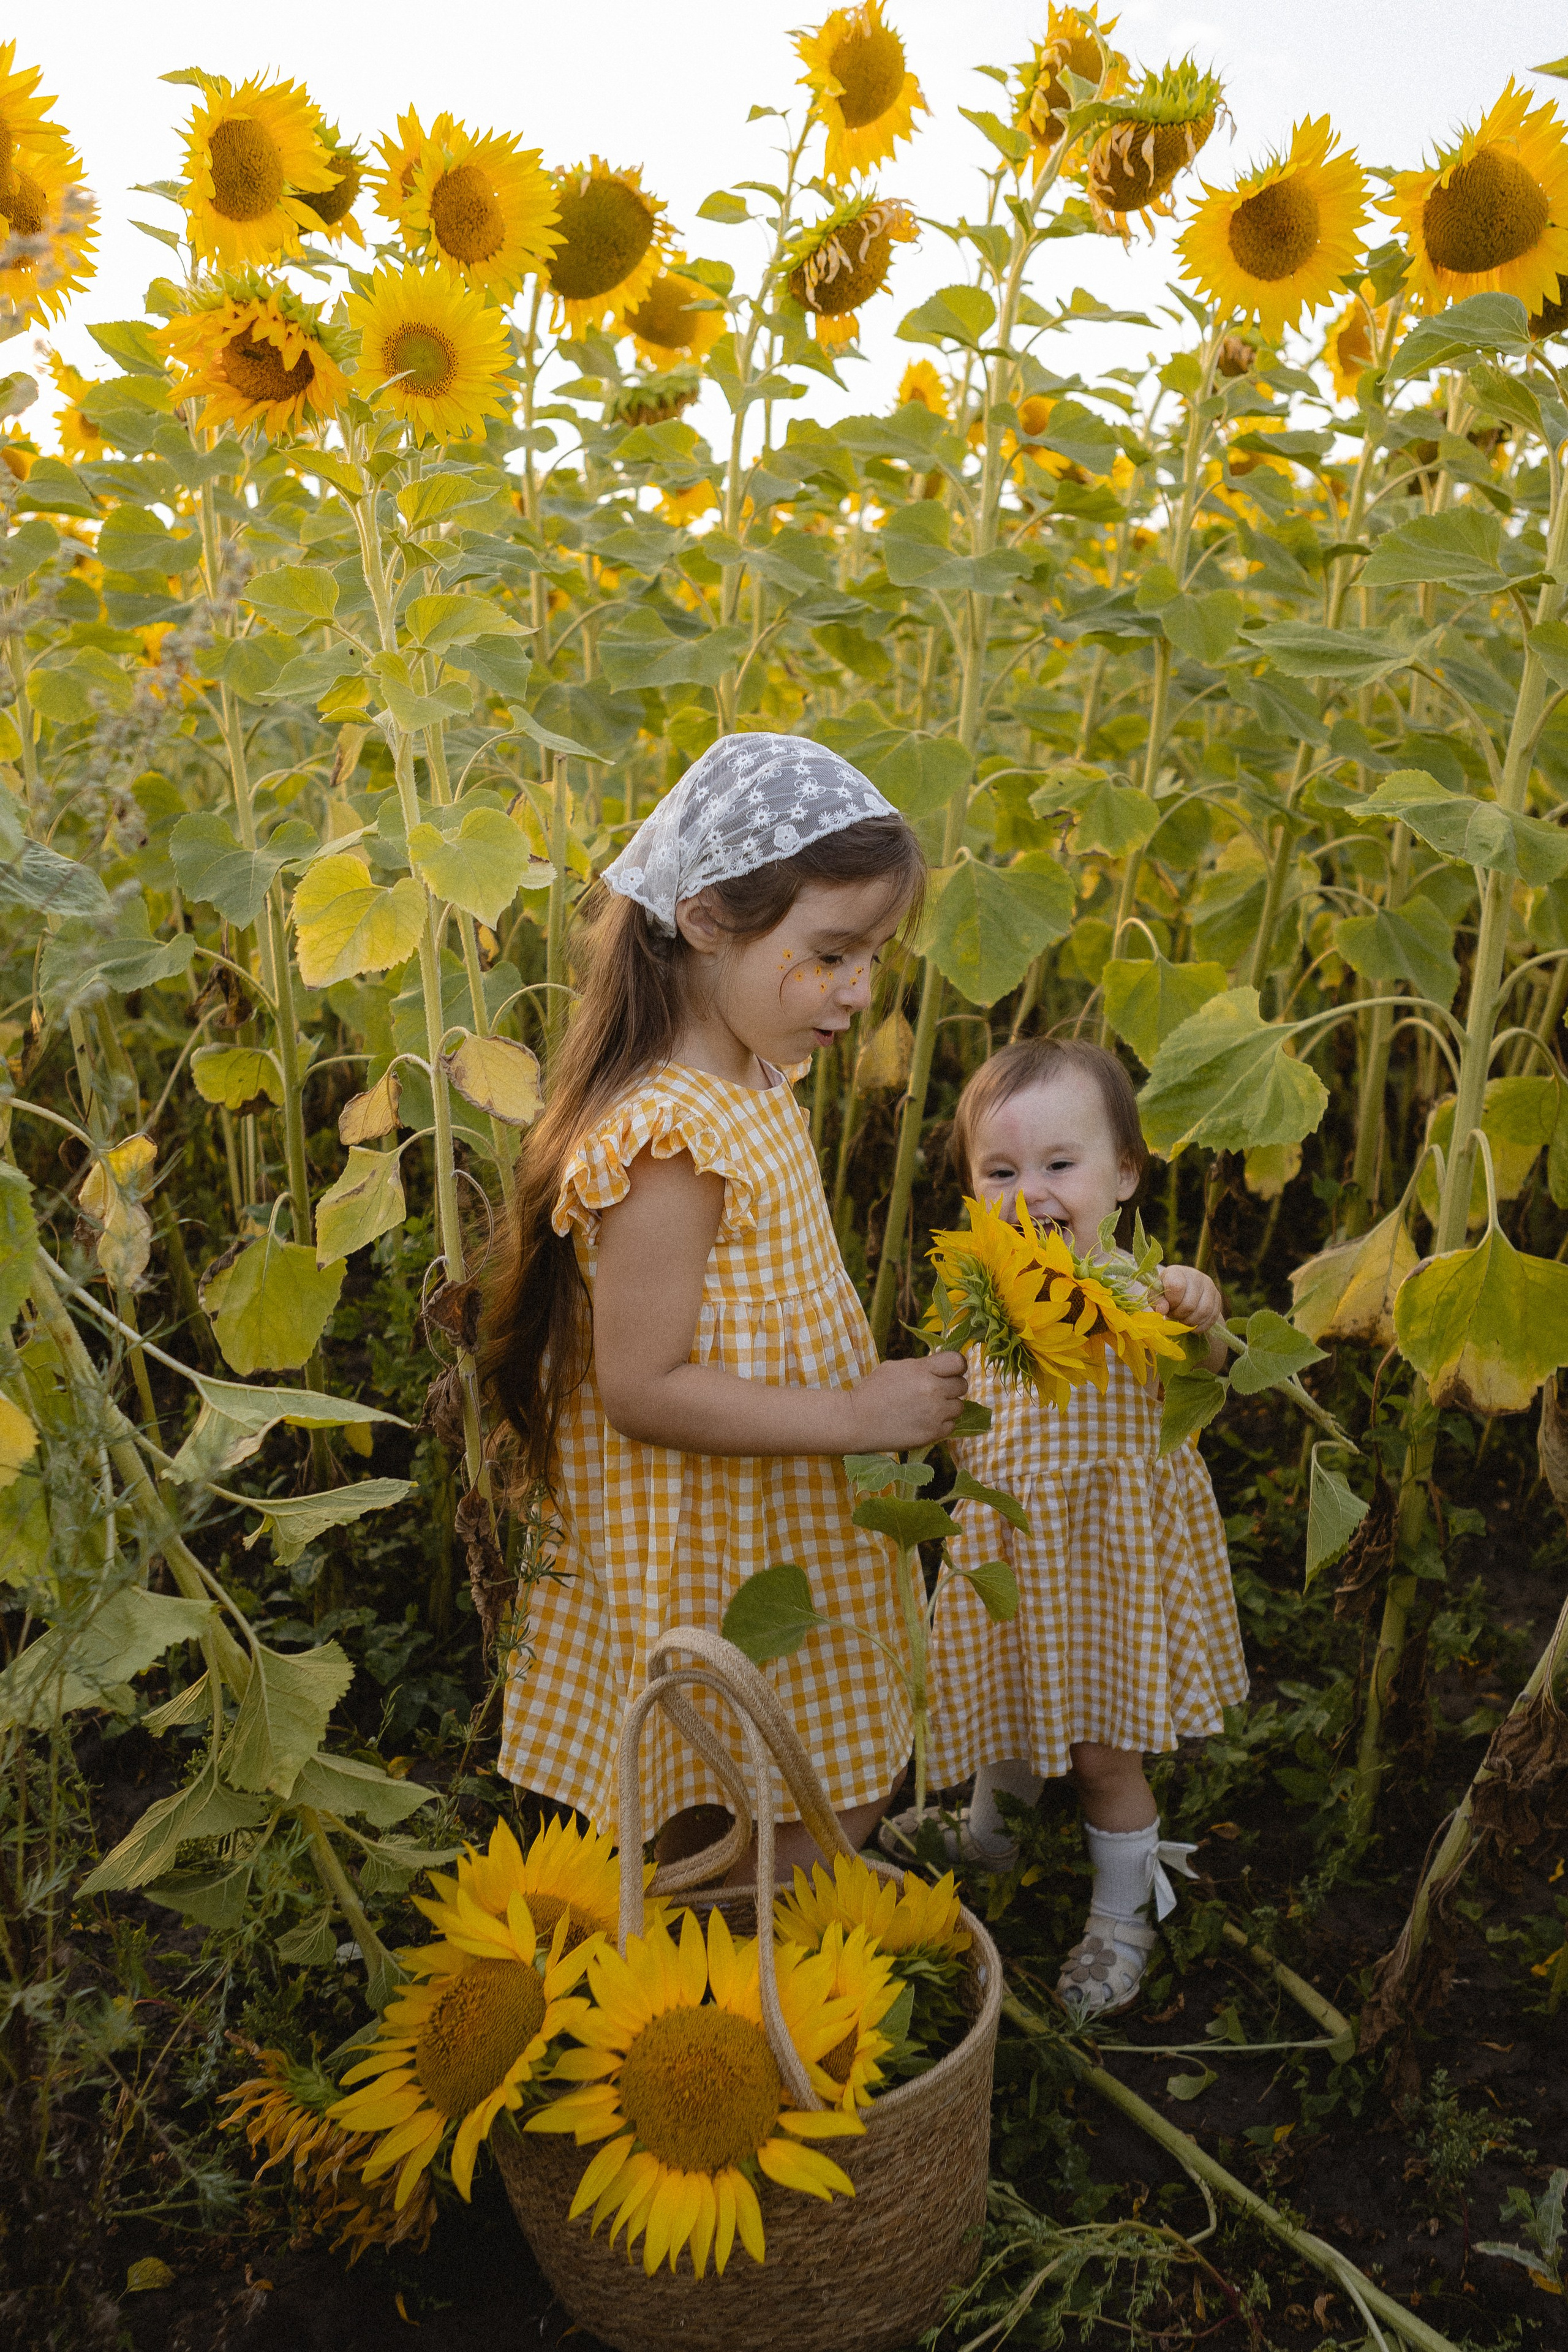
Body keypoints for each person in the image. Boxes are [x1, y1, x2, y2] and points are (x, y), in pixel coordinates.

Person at [482, 733, 967, 1878]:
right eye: (832, 953)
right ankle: (744, 1993)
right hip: (710, 1520)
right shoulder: (667, 1138)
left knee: (793, 1765)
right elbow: (642, 1389)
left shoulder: (754, 1075)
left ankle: (741, 1952)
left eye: (873, 957)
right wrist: (858, 1416)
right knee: (786, 1795)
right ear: (706, 922)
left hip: (776, 1496)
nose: (859, 991)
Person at [882, 1037, 1246, 2016]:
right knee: (1001, 1704)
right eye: (1001, 1171)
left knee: (1101, 1759)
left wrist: (1201, 1315)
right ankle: (991, 1836)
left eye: (1059, 1164)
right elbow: (959, 1412)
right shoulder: (981, 1298)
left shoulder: (1141, 1298)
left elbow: (1209, 1371)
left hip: (1109, 1575)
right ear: (969, 1186)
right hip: (1013, 1559)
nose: (1029, 1191)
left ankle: (1124, 1910)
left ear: (1123, 1175)